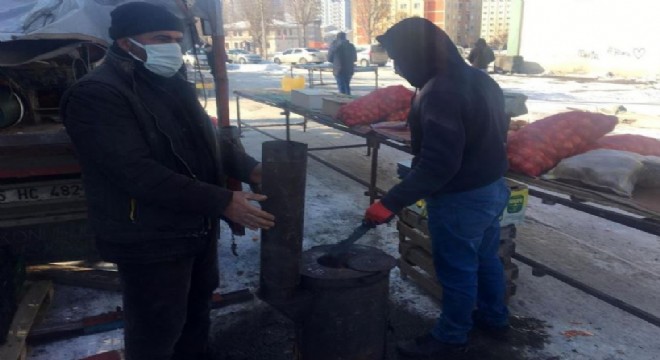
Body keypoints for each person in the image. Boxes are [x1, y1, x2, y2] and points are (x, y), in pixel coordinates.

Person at [60, 3, 275, 359]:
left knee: (196, 312)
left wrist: (249, 168)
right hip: (148, 236)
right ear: (126, 43)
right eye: (161, 38)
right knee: (157, 329)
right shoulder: (96, 94)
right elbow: (136, 173)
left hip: (194, 225)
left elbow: (205, 139)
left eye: (176, 40)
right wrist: (221, 201)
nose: (172, 48)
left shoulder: (169, 81)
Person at [365, 18, 511, 358]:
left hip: (461, 198)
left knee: (457, 270)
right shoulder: (480, 79)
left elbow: (440, 164)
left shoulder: (441, 91)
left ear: (419, 53)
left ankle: (450, 338)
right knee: (486, 259)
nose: (398, 69)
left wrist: (390, 203)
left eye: (400, 59)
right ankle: (494, 319)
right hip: (491, 187)